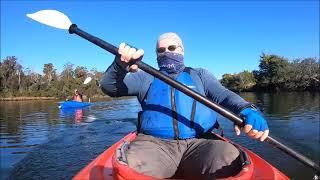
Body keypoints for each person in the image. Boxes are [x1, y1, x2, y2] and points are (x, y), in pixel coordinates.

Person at [100, 33, 269, 179]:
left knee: (229, 157)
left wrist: (246, 109)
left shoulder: (200, 75)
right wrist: (119, 66)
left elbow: (224, 95)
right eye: (161, 50)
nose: (166, 52)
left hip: (200, 143)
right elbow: (109, 87)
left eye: (172, 47)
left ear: (182, 50)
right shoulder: (145, 77)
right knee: (132, 165)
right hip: (154, 145)